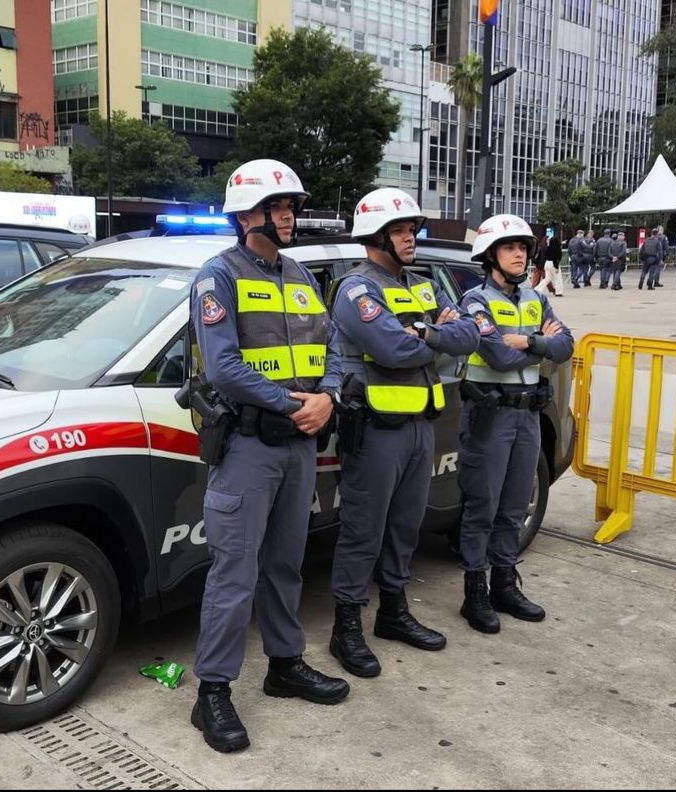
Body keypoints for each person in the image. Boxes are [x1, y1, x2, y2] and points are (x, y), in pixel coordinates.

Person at [188, 158, 349, 754]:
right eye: (277, 206)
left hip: (298, 446)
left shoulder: (302, 276)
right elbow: (225, 367)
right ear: (245, 214)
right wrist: (292, 404)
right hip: (250, 447)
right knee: (235, 574)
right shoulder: (217, 277)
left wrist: (328, 397)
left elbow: (332, 345)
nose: (288, 215)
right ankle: (212, 693)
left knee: (286, 565)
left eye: (292, 206)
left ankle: (285, 665)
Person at [326, 188, 478, 677]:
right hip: (374, 429)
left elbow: (468, 337)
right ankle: (346, 627)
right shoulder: (356, 289)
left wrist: (424, 333)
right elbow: (391, 348)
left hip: (418, 428)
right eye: (400, 230)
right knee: (362, 531)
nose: (411, 237)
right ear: (375, 236)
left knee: (405, 526)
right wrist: (430, 334)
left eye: (412, 228)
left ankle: (393, 612)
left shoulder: (421, 284)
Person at [455, 214, 574, 634]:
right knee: (481, 508)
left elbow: (566, 345)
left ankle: (505, 583)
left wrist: (527, 341)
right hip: (490, 417)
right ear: (490, 256)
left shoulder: (535, 299)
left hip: (526, 416)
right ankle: (475, 593)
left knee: (513, 506)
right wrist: (541, 345)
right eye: (509, 247)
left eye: (523, 247)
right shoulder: (475, 302)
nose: (520, 253)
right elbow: (497, 357)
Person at [542, 232, 563, 297]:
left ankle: (537, 289)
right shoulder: (557, 249)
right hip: (553, 264)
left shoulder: (548, 248)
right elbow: (557, 258)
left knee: (547, 279)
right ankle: (558, 292)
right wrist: (556, 267)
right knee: (558, 278)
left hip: (547, 263)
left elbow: (545, 256)